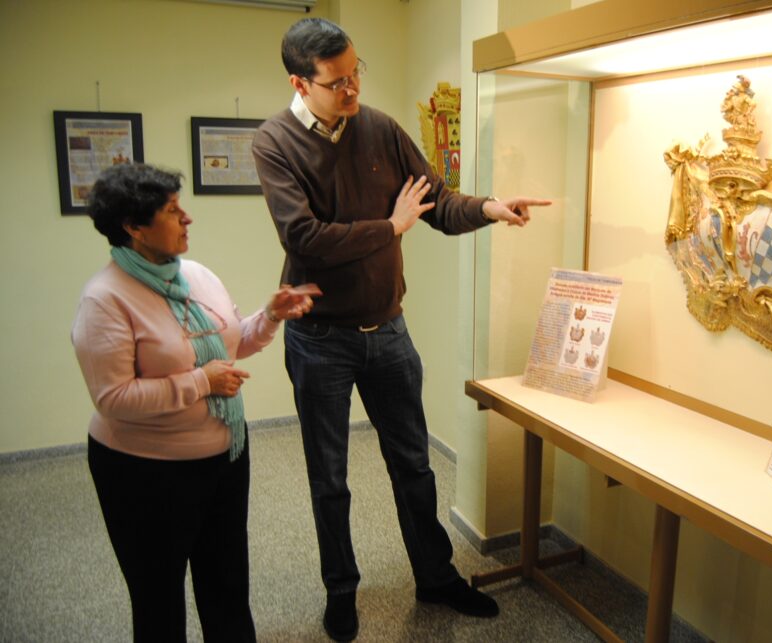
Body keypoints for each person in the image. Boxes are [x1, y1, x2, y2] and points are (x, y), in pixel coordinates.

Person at [251, 16, 551, 643]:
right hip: (321, 340)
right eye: (338, 82)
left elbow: (433, 201)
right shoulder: (274, 143)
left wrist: (491, 207)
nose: (353, 89)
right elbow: (303, 237)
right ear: (300, 83)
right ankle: (342, 591)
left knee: (413, 464)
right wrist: (388, 228)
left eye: (357, 72)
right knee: (329, 478)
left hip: (387, 331)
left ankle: (435, 577)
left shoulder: (380, 128)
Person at [71, 163, 320, 643]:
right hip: (145, 474)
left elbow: (230, 343)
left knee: (227, 588)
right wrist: (200, 383)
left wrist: (270, 315)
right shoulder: (104, 300)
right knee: (159, 600)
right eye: (171, 210)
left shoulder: (197, 275)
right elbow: (113, 398)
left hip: (225, 458)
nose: (188, 219)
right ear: (133, 227)